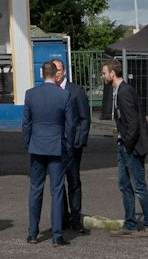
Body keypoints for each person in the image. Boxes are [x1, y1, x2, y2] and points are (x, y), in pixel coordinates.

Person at [100, 59, 148, 234]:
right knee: (124, 184)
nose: (102, 76)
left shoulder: (124, 92)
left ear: (112, 73)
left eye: (104, 73)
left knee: (138, 186)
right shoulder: (117, 90)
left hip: (131, 147)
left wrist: (127, 145)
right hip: (123, 144)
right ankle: (130, 224)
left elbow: (133, 123)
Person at [23, 58, 76, 245]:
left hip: (37, 146)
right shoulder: (64, 95)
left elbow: (27, 123)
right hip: (56, 146)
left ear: (41, 74)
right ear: (56, 74)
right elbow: (70, 125)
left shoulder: (30, 94)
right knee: (57, 191)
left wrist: (27, 142)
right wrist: (68, 145)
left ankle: (32, 233)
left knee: (35, 189)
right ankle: (57, 235)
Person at [62, 64, 91, 232]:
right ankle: (62, 219)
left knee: (73, 182)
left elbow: (84, 117)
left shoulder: (76, 90)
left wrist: (80, 141)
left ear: (64, 71)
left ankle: (75, 219)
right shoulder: (51, 91)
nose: (56, 74)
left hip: (73, 146)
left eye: (58, 70)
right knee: (58, 184)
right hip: (55, 146)